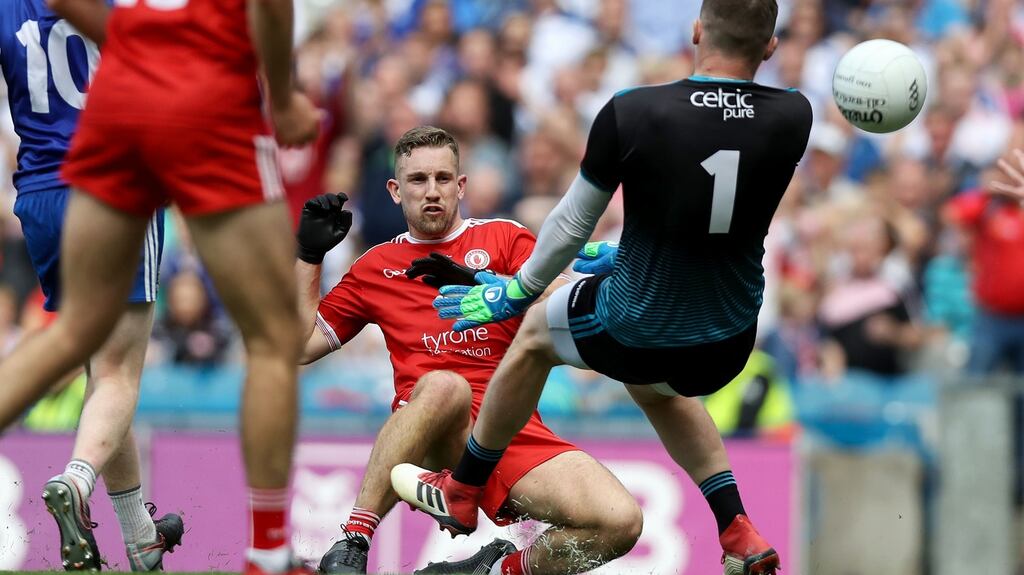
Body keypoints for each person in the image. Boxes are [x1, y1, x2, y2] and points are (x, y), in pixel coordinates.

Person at [391, 1, 812, 574]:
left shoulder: (634, 112)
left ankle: (463, 488)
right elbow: (717, 218)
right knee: (657, 386)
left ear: (695, 31)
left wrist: (513, 292)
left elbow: (568, 227)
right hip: (730, 338)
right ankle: (736, 526)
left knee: (537, 332)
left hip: (638, 319)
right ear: (769, 48)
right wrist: (627, 255)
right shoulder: (794, 116)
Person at [0, 1, 321, 574]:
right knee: (271, 340)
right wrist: (284, 93)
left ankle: (139, 535)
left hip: (96, 132)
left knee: (78, 338)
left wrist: (131, 43)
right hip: (204, 92)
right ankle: (268, 553)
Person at [296, 126, 641, 575]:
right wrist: (308, 256)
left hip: (506, 428)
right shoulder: (375, 266)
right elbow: (301, 348)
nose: (432, 191)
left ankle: (492, 572)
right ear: (395, 191)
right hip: (432, 427)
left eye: (443, 178)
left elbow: (563, 298)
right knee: (445, 386)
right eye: (418, 181)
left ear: (461, 186)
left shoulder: (503, 238)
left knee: (620, 521)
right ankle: (353, 542)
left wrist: (498, 288)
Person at [0, 1, 182, 570]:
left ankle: (140, 538)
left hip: (39, 198)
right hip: (113, 190)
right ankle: (76, 483)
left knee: (96, 367)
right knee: (119, 371)